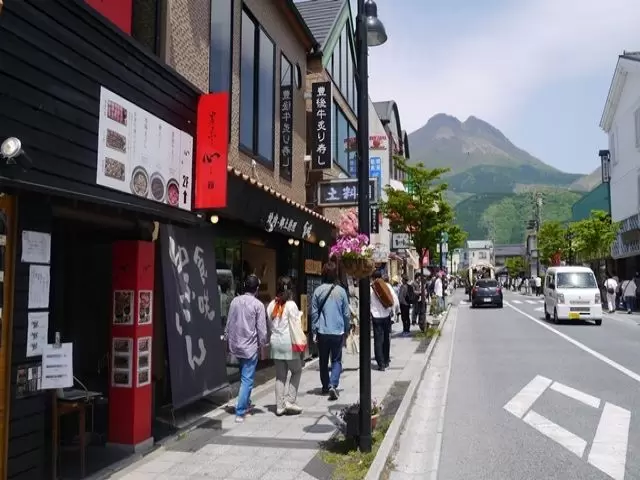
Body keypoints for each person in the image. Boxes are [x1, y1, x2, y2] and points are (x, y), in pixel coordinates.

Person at [225, 274, 268, 423]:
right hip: (249, 346)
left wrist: (227, 338)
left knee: (244, 377)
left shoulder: (234, 301)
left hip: (235, 344)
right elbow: (261, 329)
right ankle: (240, 411)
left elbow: (229, 322)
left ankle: (246, 403)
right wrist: (263, 344)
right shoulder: (258, 305)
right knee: (247, 379)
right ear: (257, 289)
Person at [311, 261, 350, 401]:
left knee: (323, 360)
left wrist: (314, 330)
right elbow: (346, 313)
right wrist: (347, 328)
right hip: (337, 330)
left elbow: (314, 313)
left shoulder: (318, 291)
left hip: (322, 331)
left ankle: (325, 386)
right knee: (336, 360)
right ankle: (333, 384)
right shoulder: (341, 291)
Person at [266, 276, 303, 416]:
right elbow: (295, 324)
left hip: (275, 342)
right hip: (288, 342)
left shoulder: (271, 305)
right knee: (297, 370)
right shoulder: (291, 305)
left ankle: (279, 406)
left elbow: (270, 324)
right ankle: (290, 400)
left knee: (280, 376)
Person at [370, 271, 400, 371]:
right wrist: (392, 311)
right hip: (386, 316)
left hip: (376, 316)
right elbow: (395, 300)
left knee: (378, 340)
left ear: (372, 277)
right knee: (386, 339)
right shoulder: (387, 286)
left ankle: (381, 364)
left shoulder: (370, 288)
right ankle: (386, 361)